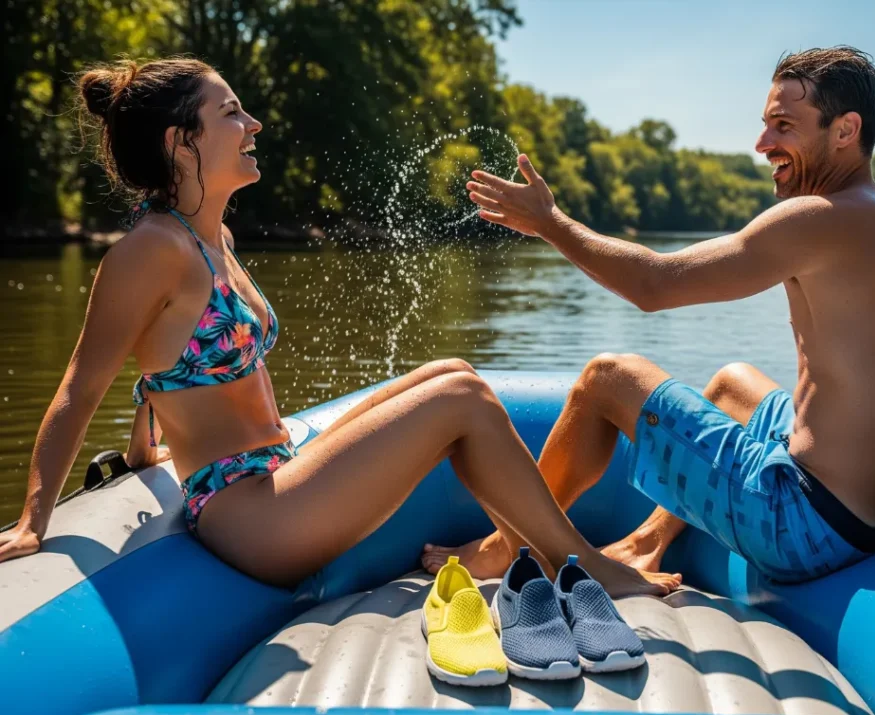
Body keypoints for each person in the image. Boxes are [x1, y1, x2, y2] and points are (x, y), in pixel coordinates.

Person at [0, 57, 682, 597]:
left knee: (453, 373)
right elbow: (78, 386)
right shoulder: (149, 251)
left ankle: (519, 554)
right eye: (232, 112)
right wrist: (35, 519)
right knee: (461, 401)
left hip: (276, 474)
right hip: (250, 515)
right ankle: (583, 566)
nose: (255, 123)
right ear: (182, 143)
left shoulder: (214, 239)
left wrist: (145, 438)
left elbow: (163, 363)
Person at [423, 47, 875, 583]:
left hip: (803, 528)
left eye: (784, 126)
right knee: (733, 384)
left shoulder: (818, 218)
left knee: (607, 379)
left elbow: (653, 284)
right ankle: (650, 538)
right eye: (765, 123)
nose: (761, 144)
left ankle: (510, 547)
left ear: (846, 131)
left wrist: (551, 224)